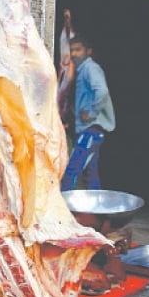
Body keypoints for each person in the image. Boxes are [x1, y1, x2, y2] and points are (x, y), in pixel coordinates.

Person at [61, 36, 115, 191]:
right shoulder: (81, 70)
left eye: (78, 50)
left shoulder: (90, 68)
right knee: (90, 173)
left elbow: (102, 91)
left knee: (72, 171)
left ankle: (65, 211)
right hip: (89, 130)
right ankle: (95, 211)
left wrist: (92, 112)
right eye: (72, 50)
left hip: (91, 129)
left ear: (88, 51)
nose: (74, 54)